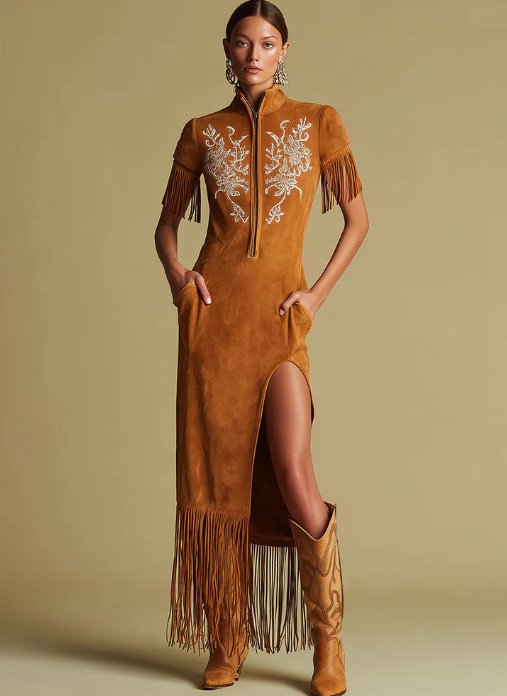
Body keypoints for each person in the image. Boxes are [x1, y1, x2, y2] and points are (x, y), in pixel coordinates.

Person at [154, 1, 369, 694]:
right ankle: (228, 637)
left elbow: (358, 220)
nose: (254, 54)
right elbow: (165, 228)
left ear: (283, 51)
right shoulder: (201, 131)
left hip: (279, 327)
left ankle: (328, 645)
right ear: (227, 48)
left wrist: (315, 296)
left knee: (294, 474)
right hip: (213, 330)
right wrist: (180, 277)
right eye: (243, 43)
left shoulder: (317, 121)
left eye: (267, 43)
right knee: (219, 483)